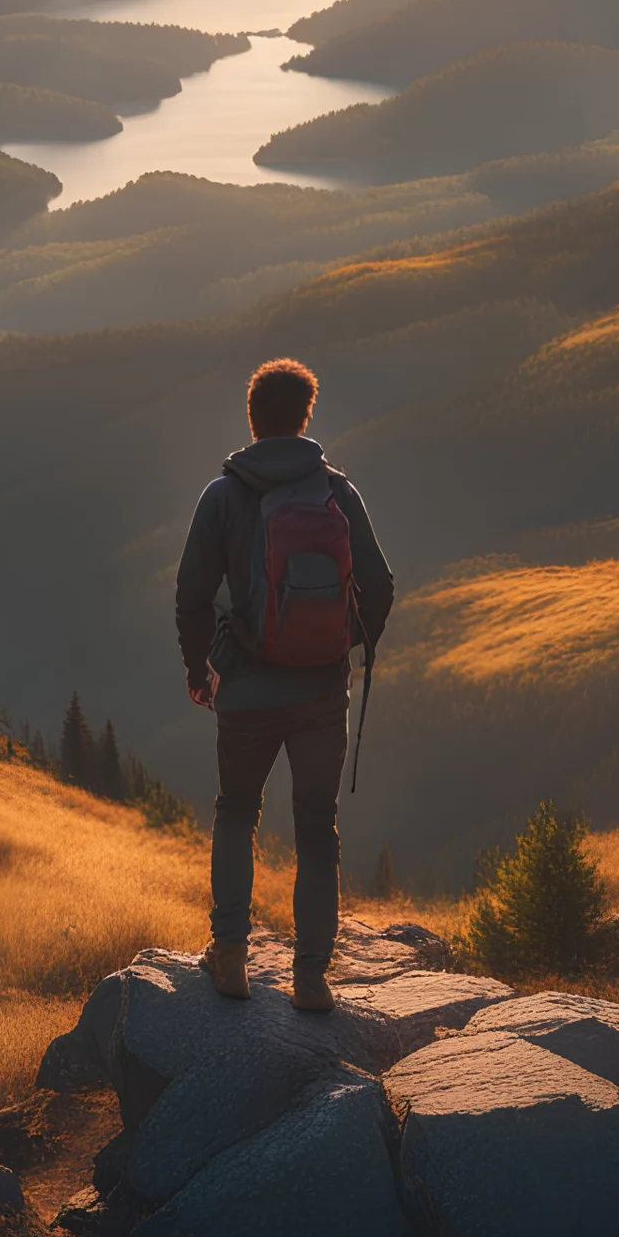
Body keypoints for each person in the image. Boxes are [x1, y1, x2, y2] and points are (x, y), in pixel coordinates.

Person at [174, 358, 394, 1012]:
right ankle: (311, 976)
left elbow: (190, 597)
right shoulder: (337, 493)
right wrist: (338, 644)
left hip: (244, 687)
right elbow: (379, 587)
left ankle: (232, 957)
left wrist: (200, 668)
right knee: (316, 828)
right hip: (322, 694)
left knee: (236, 813)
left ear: (252, 417)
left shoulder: (222, 496)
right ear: (305, 417)